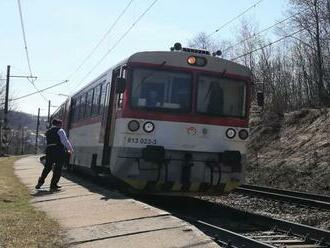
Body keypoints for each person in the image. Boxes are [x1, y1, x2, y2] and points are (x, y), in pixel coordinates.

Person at [35, 118, 74, 190]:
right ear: (59, 124)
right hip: (58, 150)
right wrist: (70, 149)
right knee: (58, 168)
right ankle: (53, 185)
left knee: (47, 167)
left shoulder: (48, 131)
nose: (61, 126)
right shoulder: (60, 130)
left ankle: (40, 182)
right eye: (61, 125)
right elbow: (65, 141)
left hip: (49, 150)